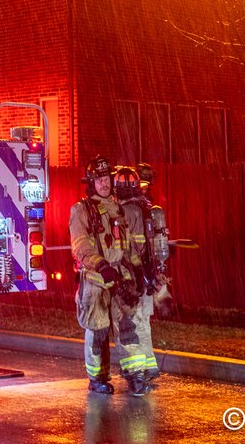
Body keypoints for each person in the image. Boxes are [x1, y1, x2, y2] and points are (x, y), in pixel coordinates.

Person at [69, 156, 151, 396]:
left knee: (129, 327)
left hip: (122, 278)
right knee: (98, 332)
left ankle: (135, 376)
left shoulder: (119, 208)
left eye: (107, 179)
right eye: (100, 179)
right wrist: (101, 265)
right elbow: (80, 245)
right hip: (96, 283)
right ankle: (97, 378)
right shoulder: (81, 210)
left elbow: (128, 246)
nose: (104, 184)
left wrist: (138, 269)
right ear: (91, 182)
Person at [116, 165, 163, 384]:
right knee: (143, 321)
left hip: (133, 277)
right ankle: (149, 366)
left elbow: (126, 249)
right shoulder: (145, 208)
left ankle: (135, 371)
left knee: (129, 324)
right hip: (147, 275)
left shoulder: (126, 211)